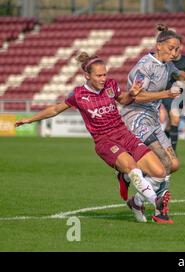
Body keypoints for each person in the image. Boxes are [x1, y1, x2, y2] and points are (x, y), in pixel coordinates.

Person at [15, 52, 172, 224]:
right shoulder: (79, 95)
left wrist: (132, 94)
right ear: (87, 76)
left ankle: (136, 202)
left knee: (159, 173)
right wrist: (29, 119)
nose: (103, 78)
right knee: (132, 168)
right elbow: (54, 109)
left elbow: (124, 100)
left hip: (124, 134)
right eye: (98, 75)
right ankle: (155, 201)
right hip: (105, 141)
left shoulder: (111, 86)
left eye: (105, 74)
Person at [119, 24, 185, 220]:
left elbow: (180, 74)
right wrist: (165, 93)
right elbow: (136, 97)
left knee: (173, 164)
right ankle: (159, 210)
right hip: (136, 117)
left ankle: (136, 200)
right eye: (171, 48)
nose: (175, 53)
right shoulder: (144, 66)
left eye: (177, 49)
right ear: (159, 45)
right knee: (163, 162)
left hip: (152, 119)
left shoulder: (167, 65)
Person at [161, 42, 185, 151]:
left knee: (170, 124)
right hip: (167, 94)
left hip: (181, 96)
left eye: (176, 48)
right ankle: (173, 151)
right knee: (175, 120)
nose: (174, 51)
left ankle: (164, 147)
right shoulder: (165, 61)